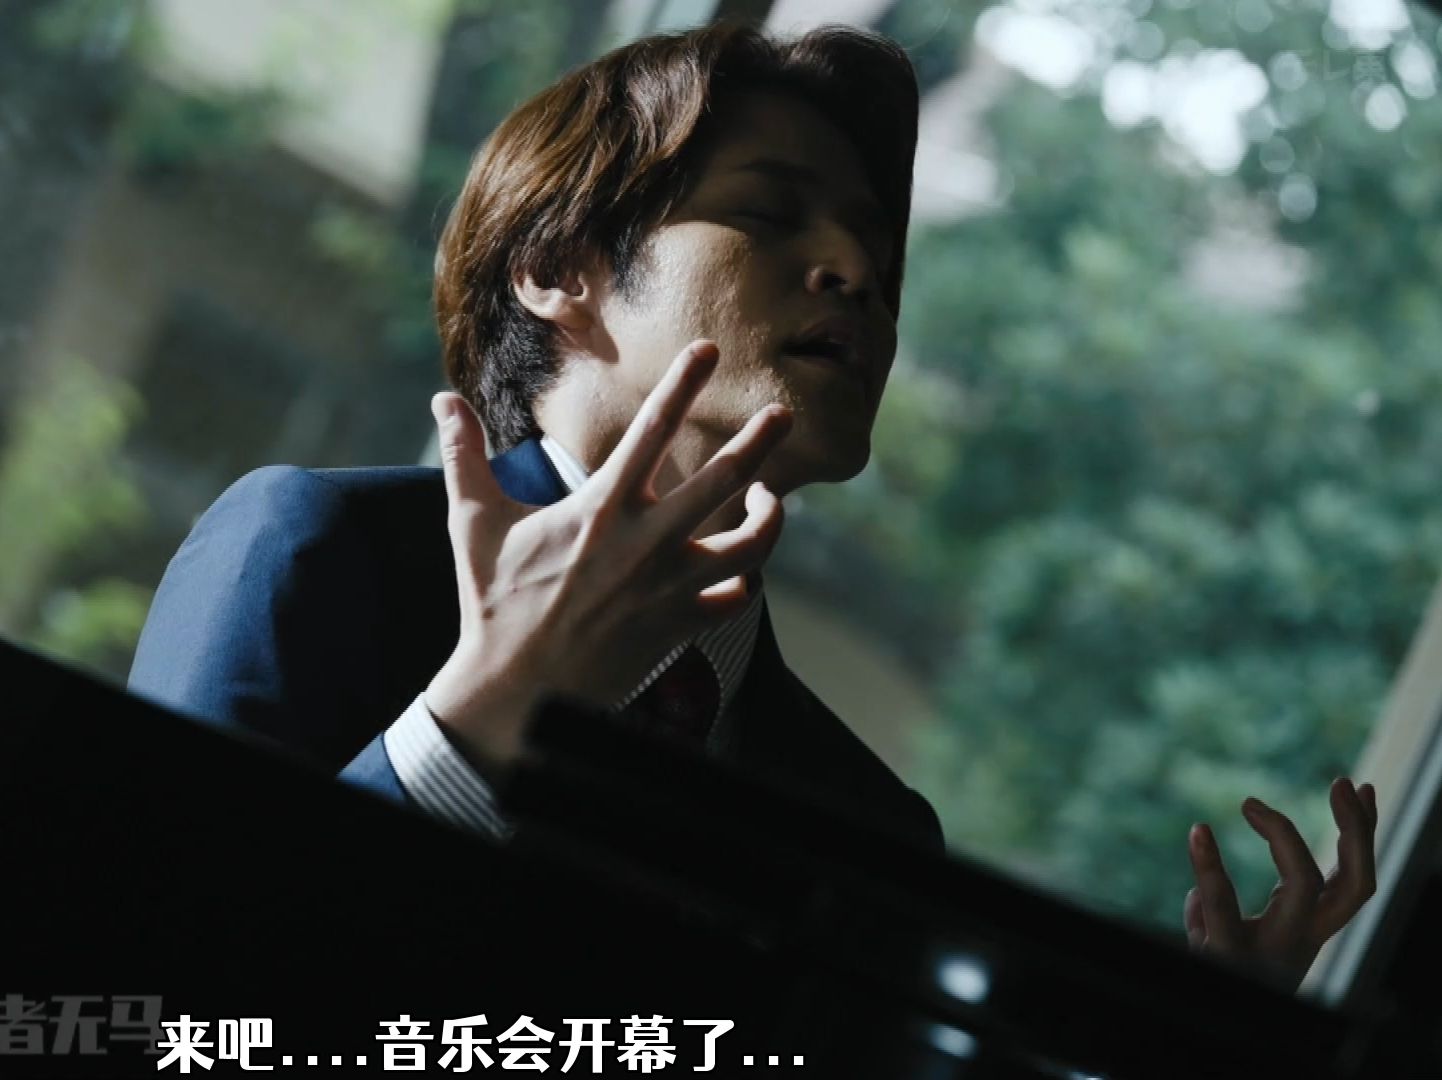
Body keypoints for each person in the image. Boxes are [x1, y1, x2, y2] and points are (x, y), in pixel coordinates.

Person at [127, 20, 1374, 989]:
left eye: (876, 252)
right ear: (557, 267)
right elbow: (130, 987)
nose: (858, 273)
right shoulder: (310, 556)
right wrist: (478, 723)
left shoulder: (871, 824)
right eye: (770, 214)